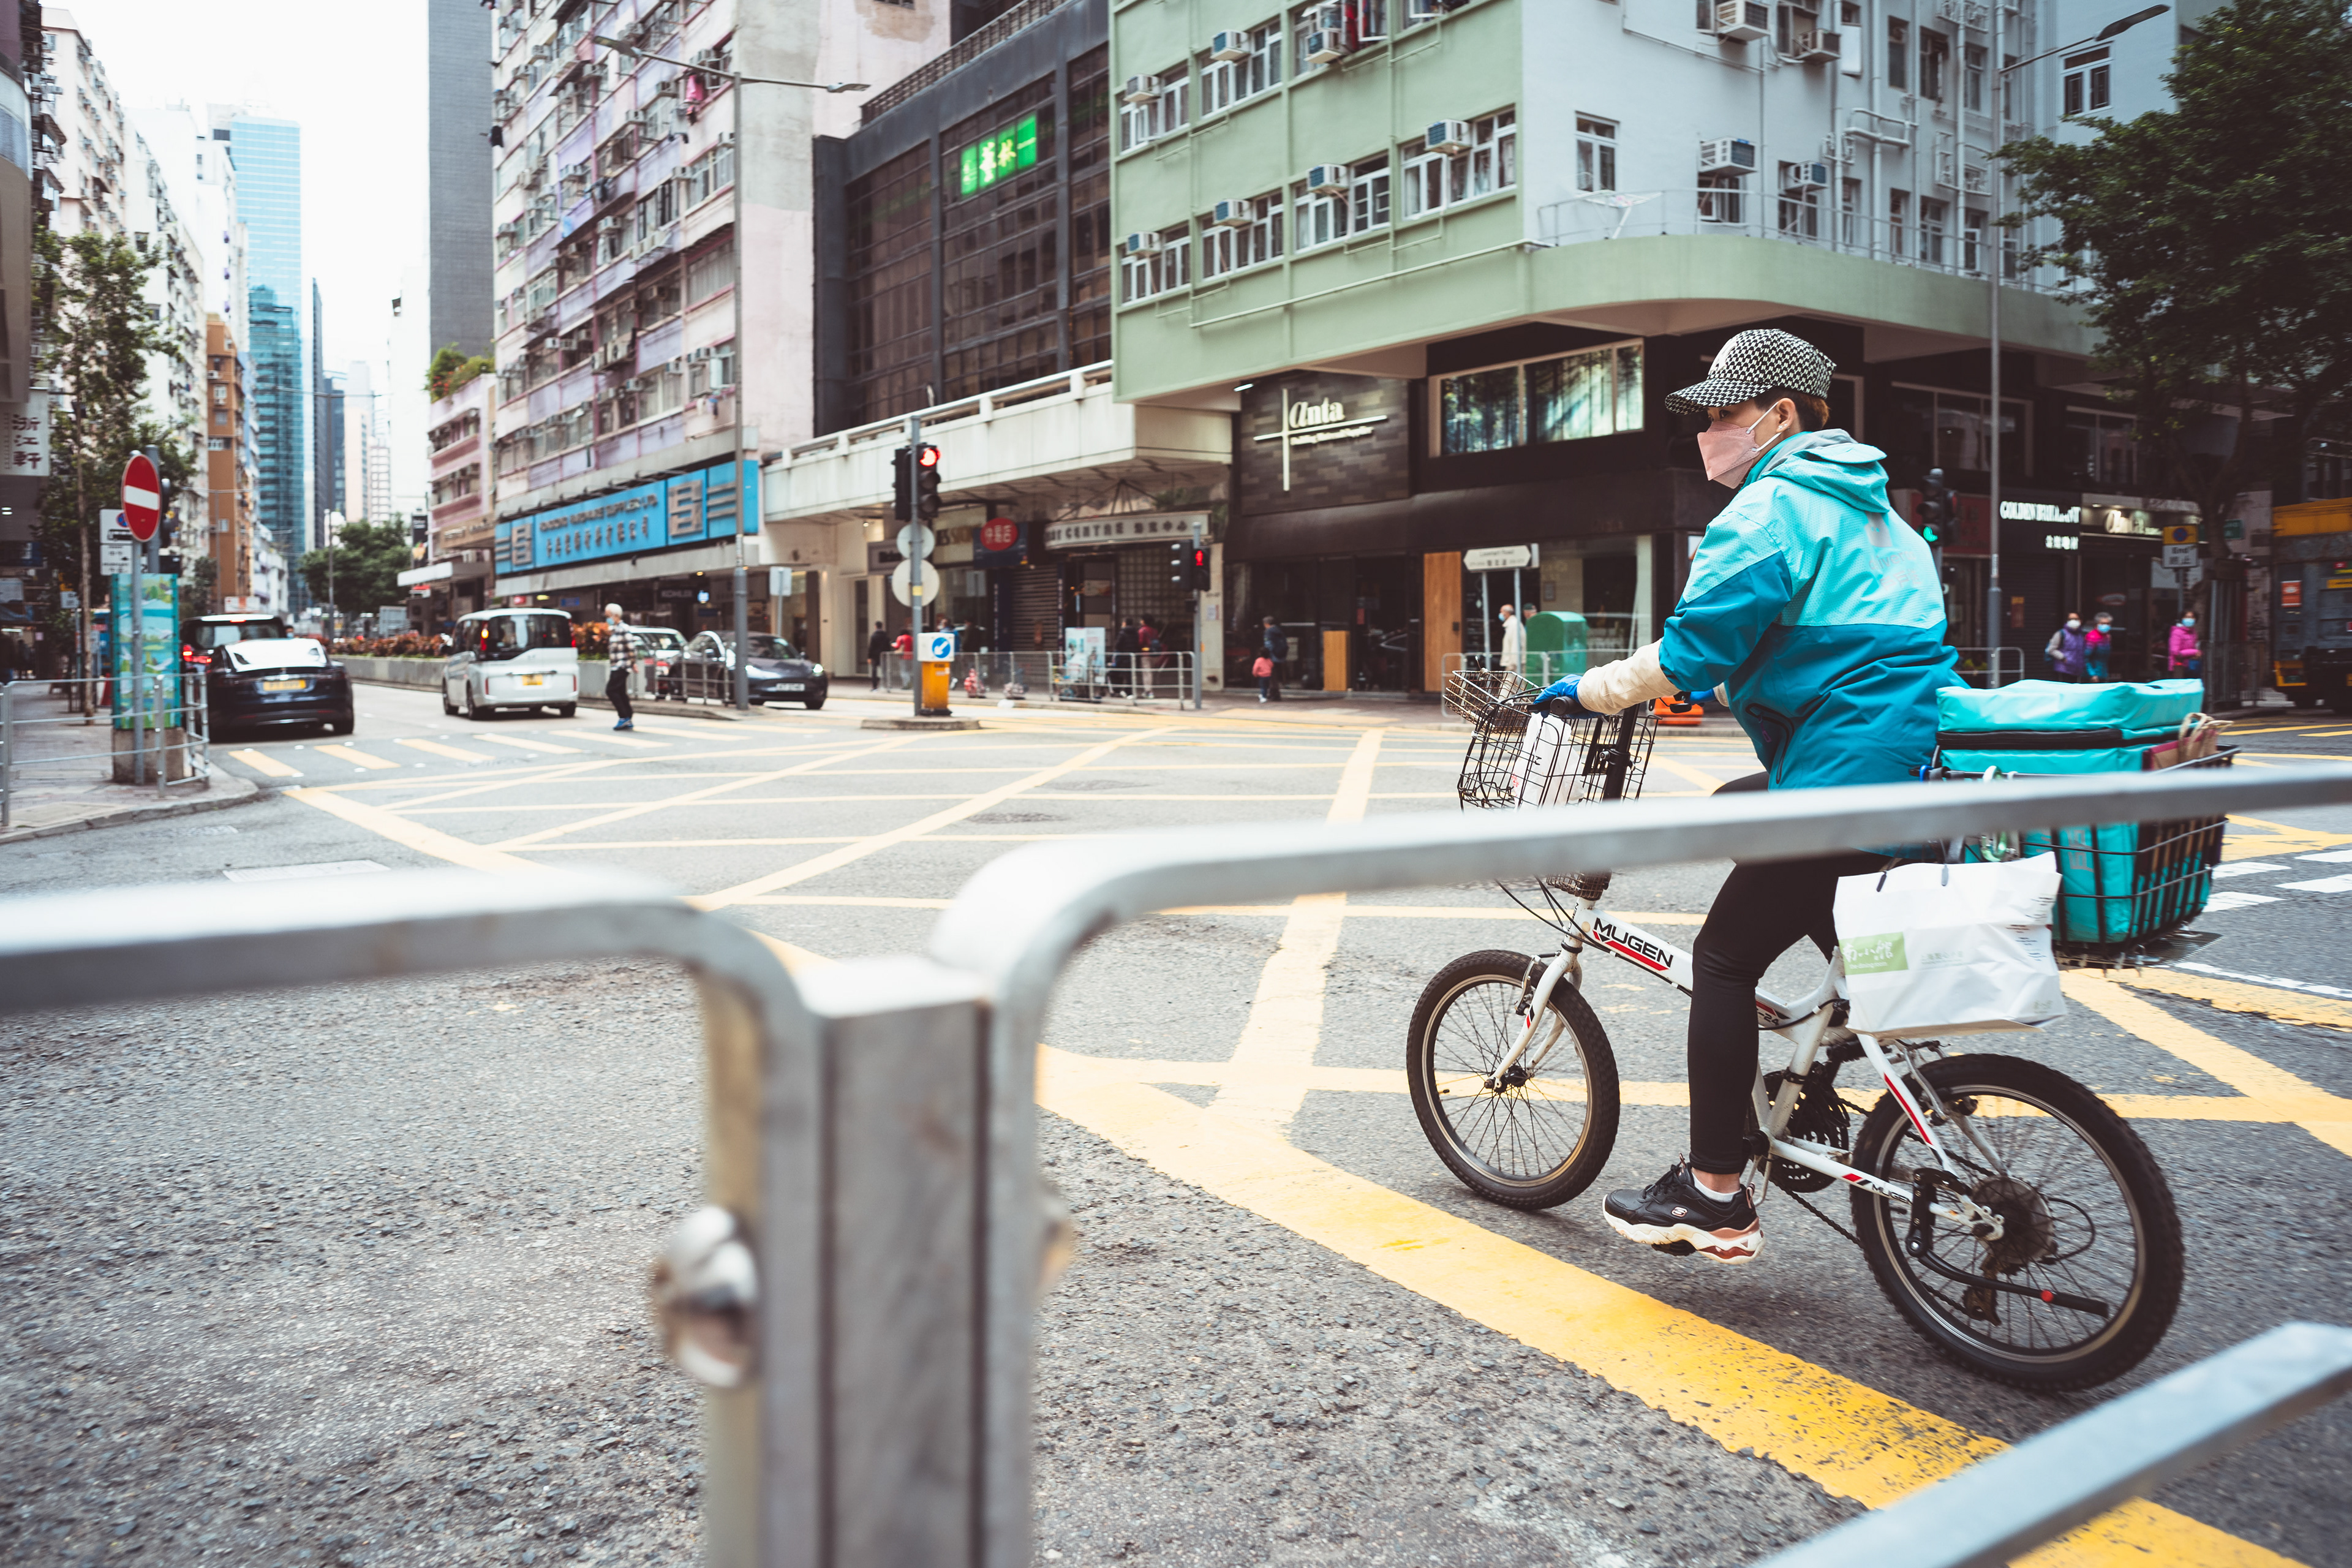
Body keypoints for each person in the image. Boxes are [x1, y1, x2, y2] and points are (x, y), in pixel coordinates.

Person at [1529, 328, 1957, 1265]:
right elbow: (1828, 649)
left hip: (1841, 780)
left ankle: (1715, 1190)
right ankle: (1822, 1053)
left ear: (1782, 415)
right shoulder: (1888, 521)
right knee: (1738, 800)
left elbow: (1690, 653)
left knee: (1723, 961)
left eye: (1723, 413)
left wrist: (1588, 690)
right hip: (1902, 767)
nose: (1708, 433)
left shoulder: (1771, 509)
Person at [602, 603, 637, 731]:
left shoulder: (623, 628)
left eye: (608, 616)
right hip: (616, 666)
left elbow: (631, 647)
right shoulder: (615, 629)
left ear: (615, 616)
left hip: (622, 666)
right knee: (621, 692)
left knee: (611, 690)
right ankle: (627, 717)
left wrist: (633, 663)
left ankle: (624, 717)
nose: (607, 618)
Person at [2045, 613, 2089, 682]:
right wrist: (2063, 658)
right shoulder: (2061, 633)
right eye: (2070, 619)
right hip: (2063, 668)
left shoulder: (2081, 635)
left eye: (2076, 619)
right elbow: (2051, 649)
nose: (2073, 621)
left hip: (2077, 669)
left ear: (2081, 621)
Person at [1257, 616, 1286, 702]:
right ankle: (1274, 693)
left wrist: (1266, 655)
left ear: (1266, 624)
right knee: (1275, 675)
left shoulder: (1268, 631)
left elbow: (1268, 644)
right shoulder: (1278, 630)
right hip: (1280, 656)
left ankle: (1275, 694)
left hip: (1272, 656)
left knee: (1271, 676)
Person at [2168, 610, 2200, 677]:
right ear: (2182, 619)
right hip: (2178, 667)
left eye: (2192, 617)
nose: (2189, 619)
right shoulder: (2177, 632)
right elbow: (2175, 652)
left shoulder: (2193, 633)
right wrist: (2194, 652)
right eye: (2187, 617)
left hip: (2190, 667)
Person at [2084, 611, 2114, 683]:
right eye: (2102, 623)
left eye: (2107, 624)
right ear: (2096, 624)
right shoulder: (2092, 637)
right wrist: (2092, 674)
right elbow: (2085, 658)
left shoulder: (2107, 637)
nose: (2105, 626)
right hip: (2092, 676)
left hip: (2103, 674)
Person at [1498, 603, 1525, 679]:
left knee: (1508, 686)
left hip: (1514, 663)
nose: (1500, 614)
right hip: (1514, 662)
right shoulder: (1512, 624)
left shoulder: (1514, 625)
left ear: (1507, 613)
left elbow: (1515, 644)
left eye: (1501, 612)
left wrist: (1513, 662)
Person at [865, 621, 891, 690]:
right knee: (885, 671)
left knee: (874, 671)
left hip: (875, 656)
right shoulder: (886, 636)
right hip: (884, 655)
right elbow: (888, 646)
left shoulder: (874, 636)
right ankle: (886, 685)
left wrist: (869, 657)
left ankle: (875, 686)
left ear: (876, 626)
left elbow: (871, 647)